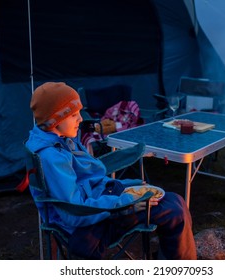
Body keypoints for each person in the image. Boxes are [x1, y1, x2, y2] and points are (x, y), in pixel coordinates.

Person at [25, 81, 197, 259]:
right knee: (174, 210)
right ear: (55, 119)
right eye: (74, 115)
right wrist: (125, 204)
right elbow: (74, 212)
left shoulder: (59, 139)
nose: (81, 119)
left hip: (99, 202)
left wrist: (127, 185)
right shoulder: (51, 156)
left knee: (175, 201)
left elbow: (88, 179)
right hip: (90, 223)